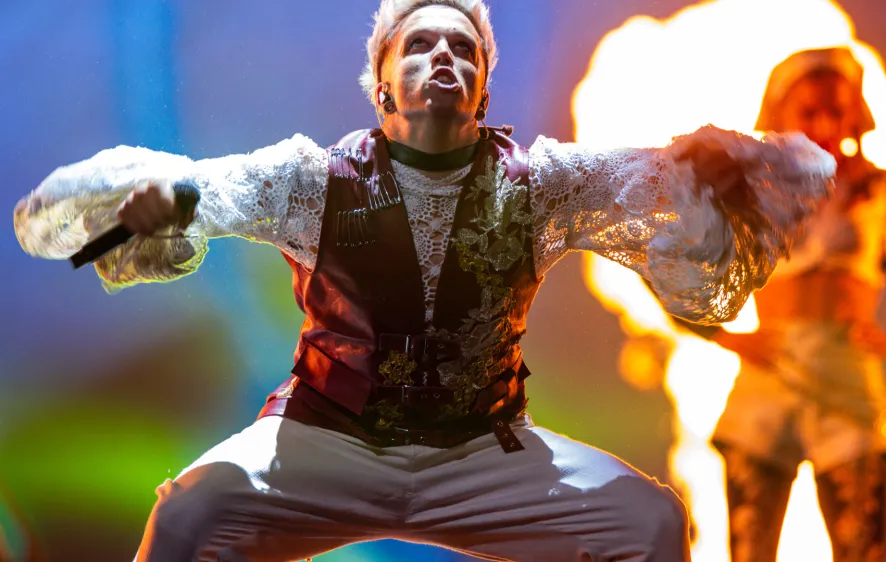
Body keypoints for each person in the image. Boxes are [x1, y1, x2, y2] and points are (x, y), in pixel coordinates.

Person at [13, 2, 835, 560]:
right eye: (421, 43)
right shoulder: (311, 177)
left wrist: (710, 169)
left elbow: (649, 182)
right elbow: (212, 188)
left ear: (482, 86)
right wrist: (163, 201)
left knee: (648, 520)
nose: (444, 54)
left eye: (464, 48)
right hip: (324, 442)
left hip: (486, 451)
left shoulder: (541, 183)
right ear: (381, 83)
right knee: (189, 515)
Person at [677, 48, 886, 562]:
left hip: (847, 383)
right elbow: (672, 259)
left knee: (861, 550)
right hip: (766, 383)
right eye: (809, 111)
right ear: (780, 113)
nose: (826, 123)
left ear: (856, 113)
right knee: (749, 549)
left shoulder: (879, 188)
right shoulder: (750, 189)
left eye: (838, 110)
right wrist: (724, 336)